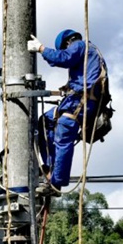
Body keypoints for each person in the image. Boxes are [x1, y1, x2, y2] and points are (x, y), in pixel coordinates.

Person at [28, 29, 109, 196]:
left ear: (67, 43)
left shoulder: (80, 46)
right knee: (45, 121)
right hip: (76, 101)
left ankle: (56, 183)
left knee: (64, 133)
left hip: (80, 102)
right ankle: (51, 168)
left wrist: (41, 48)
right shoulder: (92, 53)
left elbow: (63, 58)